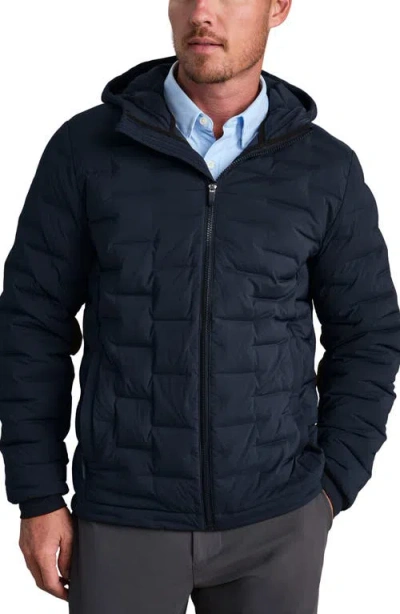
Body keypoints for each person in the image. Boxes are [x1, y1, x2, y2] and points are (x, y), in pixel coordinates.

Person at [1, 1, 400, 612]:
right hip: (123, 518)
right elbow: (31, 326)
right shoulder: (86, 150)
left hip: (277, 525)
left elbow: (369, 333)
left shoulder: (326, 169)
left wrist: (333, 485)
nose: (203, 11)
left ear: (277, 7)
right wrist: (38, 495)